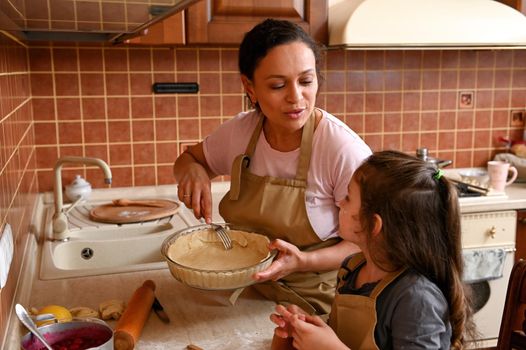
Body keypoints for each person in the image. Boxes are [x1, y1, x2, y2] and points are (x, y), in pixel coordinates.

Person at [172, 18, 371, 315]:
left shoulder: (342, 149)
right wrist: (193, 170)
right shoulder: (240, 132)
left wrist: (302, 261)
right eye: (278, 85)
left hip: (318, 307)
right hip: (249, 292)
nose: (296, 98)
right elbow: (189, 158)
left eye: (306, 81)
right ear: (249, 87)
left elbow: (366, 246)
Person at [270, 150, 476, 350]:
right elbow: (344, 338)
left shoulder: (416, 300)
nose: (340, 202)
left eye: (348, 197)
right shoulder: (352, 268)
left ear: (374, 224)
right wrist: (303, 331)